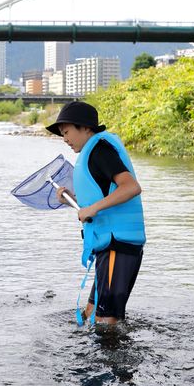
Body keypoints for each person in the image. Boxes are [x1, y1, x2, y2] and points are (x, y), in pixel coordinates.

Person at [46, 101, 146, 325]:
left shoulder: (100, 151)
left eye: (67, 132)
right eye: (62, 134)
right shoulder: (92, 154)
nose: (65, 138)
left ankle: (111, 361)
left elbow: (131, 187)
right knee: (90, 313)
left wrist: (92, 208)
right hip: (110, 247)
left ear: (85, 128)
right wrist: (73, 199)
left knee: (106, 321)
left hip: (117, 247)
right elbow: (101, 198)